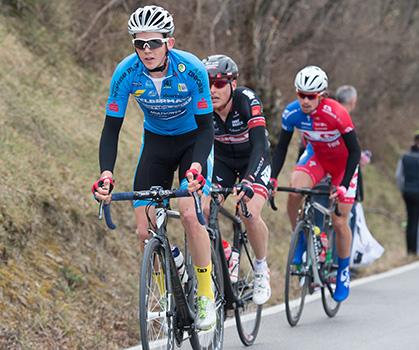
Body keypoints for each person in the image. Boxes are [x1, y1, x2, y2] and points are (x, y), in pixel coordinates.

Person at [91, 6, 216, 330]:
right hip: (157, 143)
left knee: (189, 213)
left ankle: (205, 292)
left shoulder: (191, 69)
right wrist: (106, 172)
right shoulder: (125, 73)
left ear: (169, 43)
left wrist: (198, 165)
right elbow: (111, 129)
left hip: (193, 142)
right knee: (144, 231)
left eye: (154, 43)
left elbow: (206, 129)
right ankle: (164, 287)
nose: (146, 50)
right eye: (139, 43)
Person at [271, 66, 361, 302]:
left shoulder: (337, 113)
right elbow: (281, 148)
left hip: (343, 162)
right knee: (294, 191)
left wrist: (342, 185)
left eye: (311, 96)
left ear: (322, 95)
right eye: (301, 94)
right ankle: (300, 238)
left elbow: (355, 151)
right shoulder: (292, 113)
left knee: (340, 220)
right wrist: (271, 177)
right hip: (317, 157)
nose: (305, 101)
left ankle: (342, 271)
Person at [201, 55, 272, 305]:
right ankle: (228, 253)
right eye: (208, 83)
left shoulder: (246, 100)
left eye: (219, 84)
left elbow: (261, 145)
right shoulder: (202, 104)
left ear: (233, 84)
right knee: (204, 206)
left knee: (248, 212)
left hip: (253, 159)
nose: (212, 90)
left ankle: (261, 268)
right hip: (223, 163)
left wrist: (251, 179)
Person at [396, 130, 419, 255]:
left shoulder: (405, 157)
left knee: (411, 221)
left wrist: (403, 190)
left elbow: (399, 176)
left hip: (408, 192)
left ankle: (411, 251)